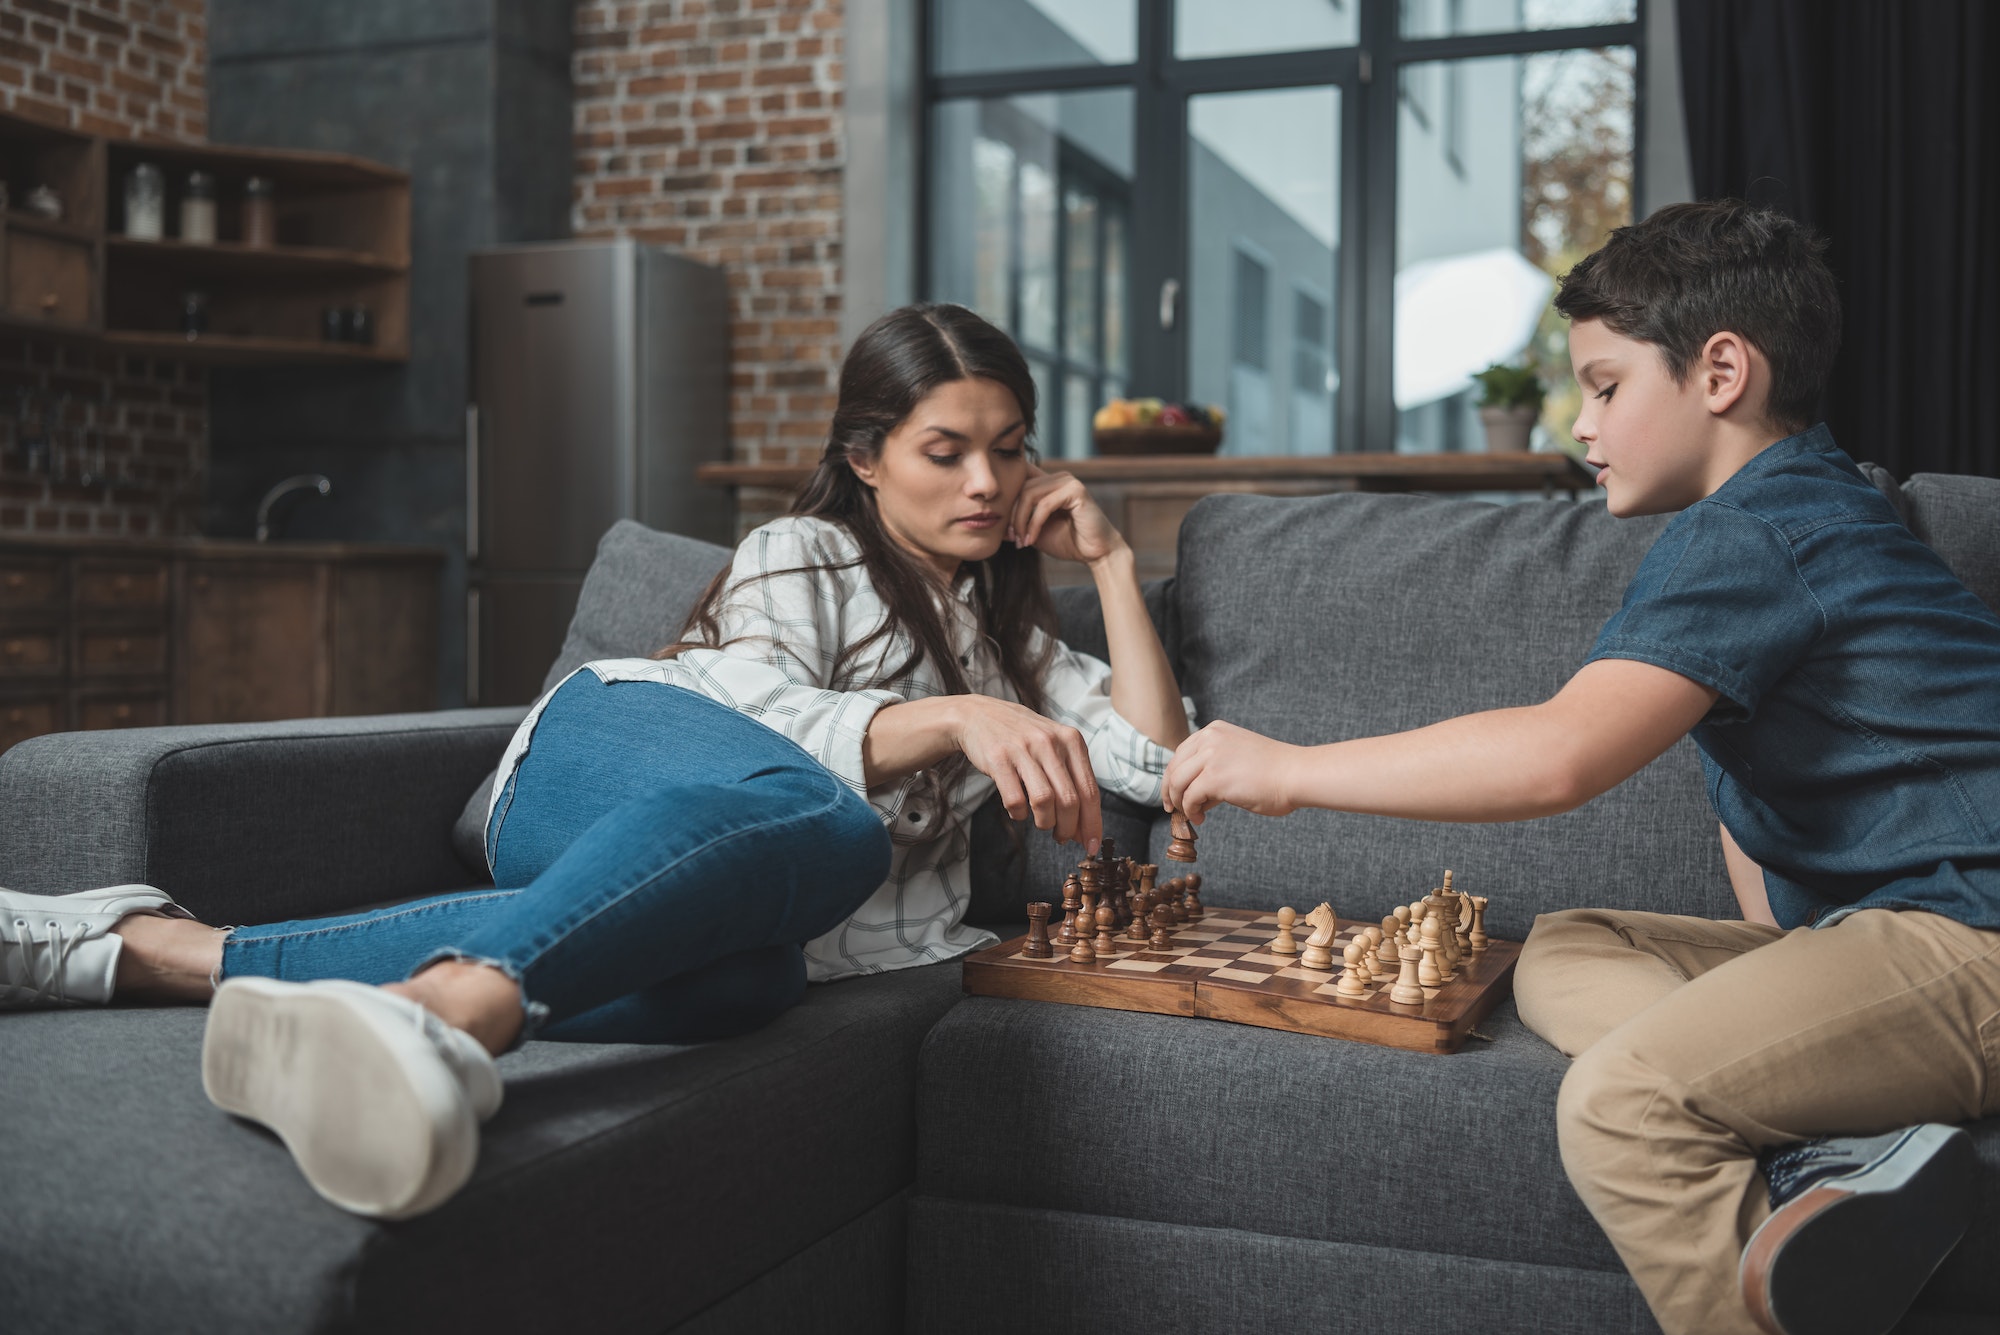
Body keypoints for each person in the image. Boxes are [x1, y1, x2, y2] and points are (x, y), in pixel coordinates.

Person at [0, 302, 1192, 1220]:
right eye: (946, 450)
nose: (985, 482)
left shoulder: (1001, 641)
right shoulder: (802, 553)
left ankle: (159, 953)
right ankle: (454, 1013)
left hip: (702, 872)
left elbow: (1154, 755)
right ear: (869, 456)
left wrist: (1106, 562)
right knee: (830, 822)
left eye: (1007, 450)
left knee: (753, 985)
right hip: (593, 757)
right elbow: (769, 731)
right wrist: (954, 723)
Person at [1161, 199, 2000, 1335]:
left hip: (1970, 934)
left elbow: (1558, 756)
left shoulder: (1753, 530)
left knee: (1622, 1104)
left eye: (1604, 386)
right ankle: (1835, 1144)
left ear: (1718, 372)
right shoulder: (1794, 507)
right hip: (1899, 937)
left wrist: (1290, 767)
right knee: (1565, 943)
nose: (1580, 422)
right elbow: (1752, 806)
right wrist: (1779, 994)